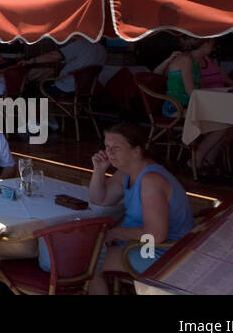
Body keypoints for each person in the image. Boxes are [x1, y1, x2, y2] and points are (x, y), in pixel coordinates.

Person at [64, 123, 194, 293]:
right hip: (141, 244)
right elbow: (100, 200)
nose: (109, 152)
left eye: (116, 148)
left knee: (87, 263)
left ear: (136, 151)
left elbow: (155, 235)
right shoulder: (128, 171)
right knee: (87, 252)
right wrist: (99, 170)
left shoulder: (150, 180)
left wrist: (115, 233)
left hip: (163, 253)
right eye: (107, 147)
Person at [155, 36, 233, 178]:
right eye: (212, 42)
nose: (214, 45)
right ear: (205, 44)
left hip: (188, 106)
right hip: (175, 109)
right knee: (224, 123)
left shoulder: (193, 61)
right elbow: (191, 91)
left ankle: (207, 160)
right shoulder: (185, 61)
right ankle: (197, 159)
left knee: (231, 121)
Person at [34, 37, 108, 96]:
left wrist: (32, 61)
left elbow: (55, 56)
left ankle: (43, 113)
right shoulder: (103, 50)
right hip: (85, 91)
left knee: (36, 87)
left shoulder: (81, 44)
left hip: (65, 88)